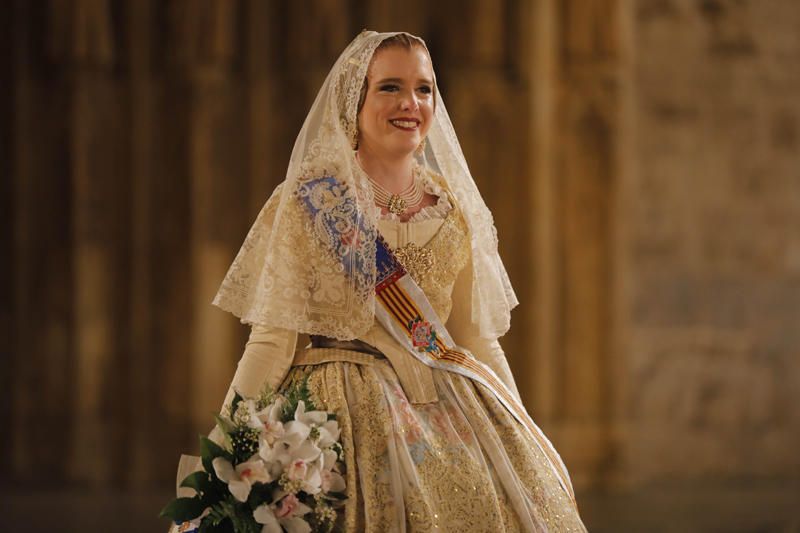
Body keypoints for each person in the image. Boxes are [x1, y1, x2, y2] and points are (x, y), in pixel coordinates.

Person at [172, 30, 586, 532]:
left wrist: (521, 435)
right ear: (355, 98)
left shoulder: (456, 212)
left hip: (446, 409)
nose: (410, 103)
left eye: (424, 89)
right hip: (331, 424)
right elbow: (271, 343)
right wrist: (225, 458)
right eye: (389, 87)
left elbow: (478, 341)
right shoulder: (312, 200)